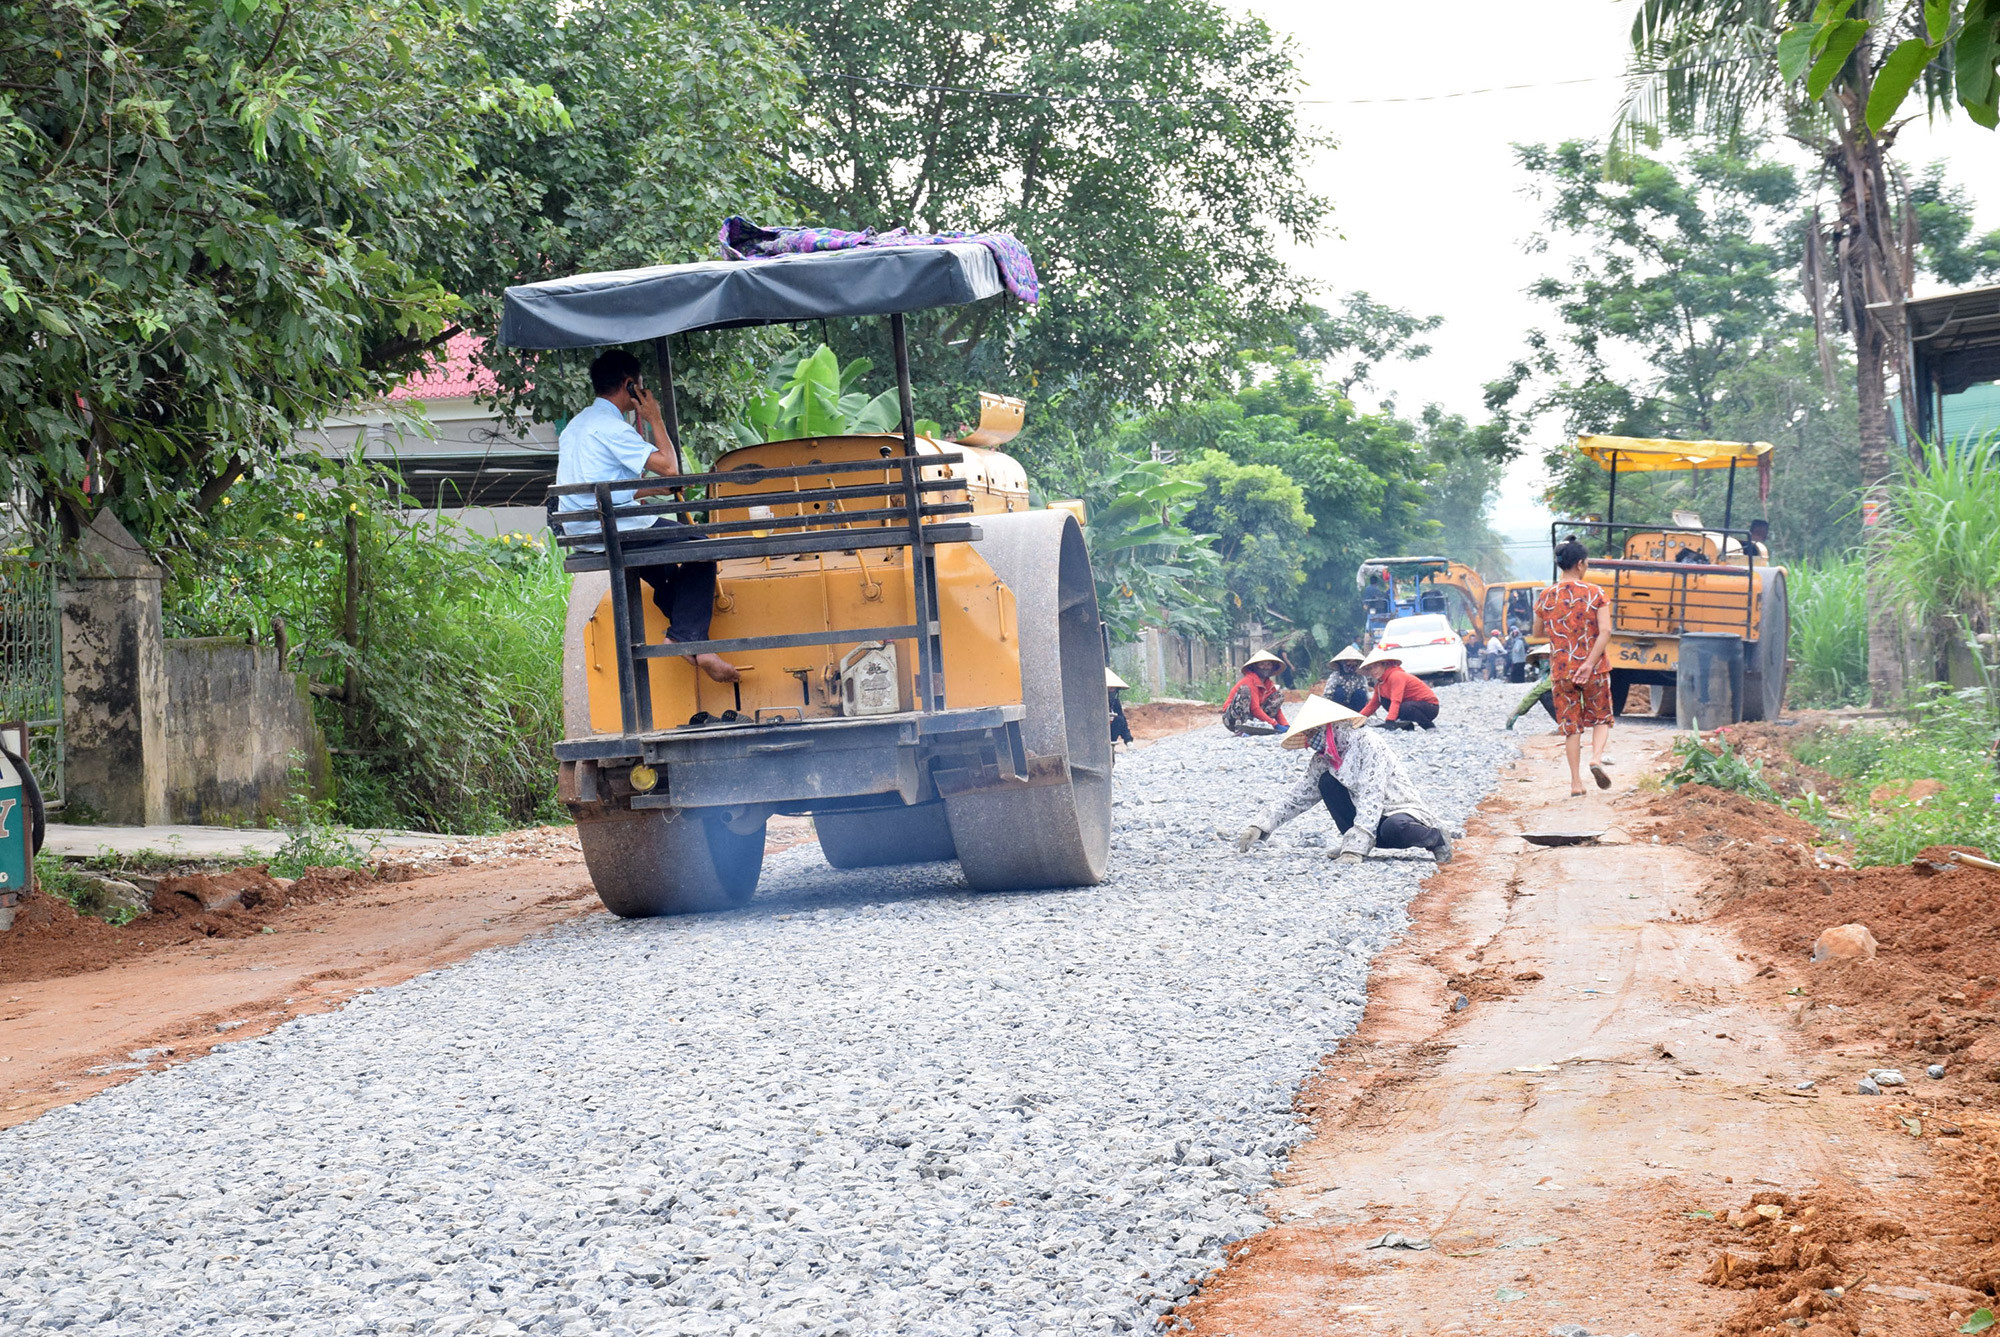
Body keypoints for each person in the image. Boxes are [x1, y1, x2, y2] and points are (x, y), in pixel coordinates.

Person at [556, 350, 738, 683]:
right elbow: (670, 467)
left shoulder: (576, 426)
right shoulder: (613, 427)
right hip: (615, 527)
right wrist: (654, 417)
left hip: (584, 528)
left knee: (668, 573)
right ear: (630, 385)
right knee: (702, 546)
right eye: (640, 386)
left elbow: (602, 489)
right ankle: (686, 640)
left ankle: (696, 645)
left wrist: (653, 492)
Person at [1235, 695, 1453, 865]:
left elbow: (1372, 793)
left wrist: (1355, 849)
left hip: (1396, 809)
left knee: (1395, 829)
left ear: (1330, 728)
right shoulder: (1323, 759)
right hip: (1366, 819)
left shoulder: (1369, 743)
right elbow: (1297, 797)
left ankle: (1436, 838)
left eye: (1313, 732)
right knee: (1326, 782)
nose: (1310, 739)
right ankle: (1355, 838)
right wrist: (1261, 825)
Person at [1532, 536, 1615, 795]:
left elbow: (1537, 632)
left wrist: (1562, 631)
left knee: (1571, 727)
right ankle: (1596, 759)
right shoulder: (1596, 593)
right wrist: (1589, 663)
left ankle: (1575, 783)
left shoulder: (1546, 596)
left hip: (1561, 670)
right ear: (1580, 564)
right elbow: (1606, 631)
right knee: (1601, 718)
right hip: (1594, 669)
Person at [1358, 648, 1439, 730]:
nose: (1373, 671)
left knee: (1404, 707)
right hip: (1411, 705)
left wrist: (1390, 720)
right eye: (1370, 668)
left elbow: (1396, 700)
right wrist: (1357, 720)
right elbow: (1372, 705)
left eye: (1376, 667)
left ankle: (1429, 726)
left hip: (1430, 706)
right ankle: (1407, 726)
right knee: (1384, 700)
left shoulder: (1396, 676)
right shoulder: (1380, 685)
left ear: (1384, 665)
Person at [1222, 651, 1289, 735]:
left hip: (1253, 717)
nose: (1265, 667)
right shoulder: (1249, 681)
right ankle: (1241, 730)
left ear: (1272, 667)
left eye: (1268, 664)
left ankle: (1253, 727)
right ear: (1255, 667)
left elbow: (1276, 709)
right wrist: (1275, 725)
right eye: (1262, 664)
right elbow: (1254, 708)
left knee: (1278, 696)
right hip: (1232, 718)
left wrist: (1286, 725)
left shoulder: (1269, 684)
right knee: (1244, 691)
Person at [1504, 645, 1558, 729]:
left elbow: (1538, 691)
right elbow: (1537, 690)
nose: (1542, 660)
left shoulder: (1557, 673)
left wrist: (1517, 711)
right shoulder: (1547, 675)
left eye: (1546, 656)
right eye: (1540, 657)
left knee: (1545, 695)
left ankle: (1565, 724)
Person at [1321, 644, 1370, 712]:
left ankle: (1358, 716)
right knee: (1339, 691)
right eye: (1348, 661)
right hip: (1339, 708)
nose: (1351, 663)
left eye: (1354, 661)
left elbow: (1366, 696)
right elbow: (1327, 695)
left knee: (1361, 693)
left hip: (1355, 707)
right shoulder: (1336, 676)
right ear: (1343, 662)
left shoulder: (1360, 677)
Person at [1107, 667, 1134, 746]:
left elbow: (1123, 723)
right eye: (1109, 688)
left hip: (1111, 732)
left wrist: (1128, 740)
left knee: (1119, 719)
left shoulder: (1115, 703)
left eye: (1113, 689)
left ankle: (1111, 745)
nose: (1112, 691)